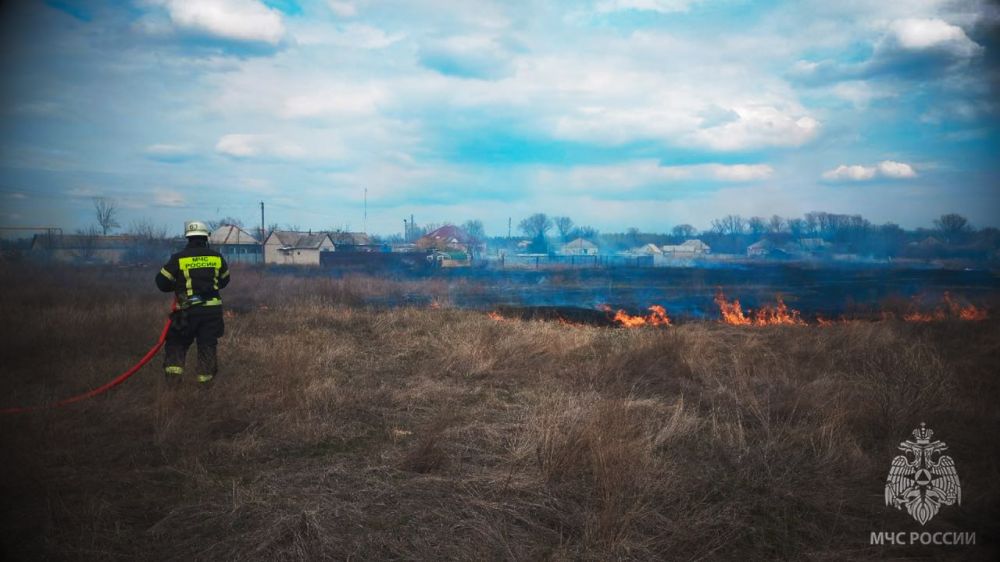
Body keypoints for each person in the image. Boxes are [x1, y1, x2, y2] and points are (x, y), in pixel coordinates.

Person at [155, 221, 230, 386]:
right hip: (211, 313)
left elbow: (161, 282)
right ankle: (205, 386)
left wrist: (178, 286)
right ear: (206, 238)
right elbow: (225, 280)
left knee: (176, 344)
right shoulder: (216, 257)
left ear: (187, 239)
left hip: (185, 312)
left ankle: (173, 385)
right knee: (207, 346)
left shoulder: (178, 258)